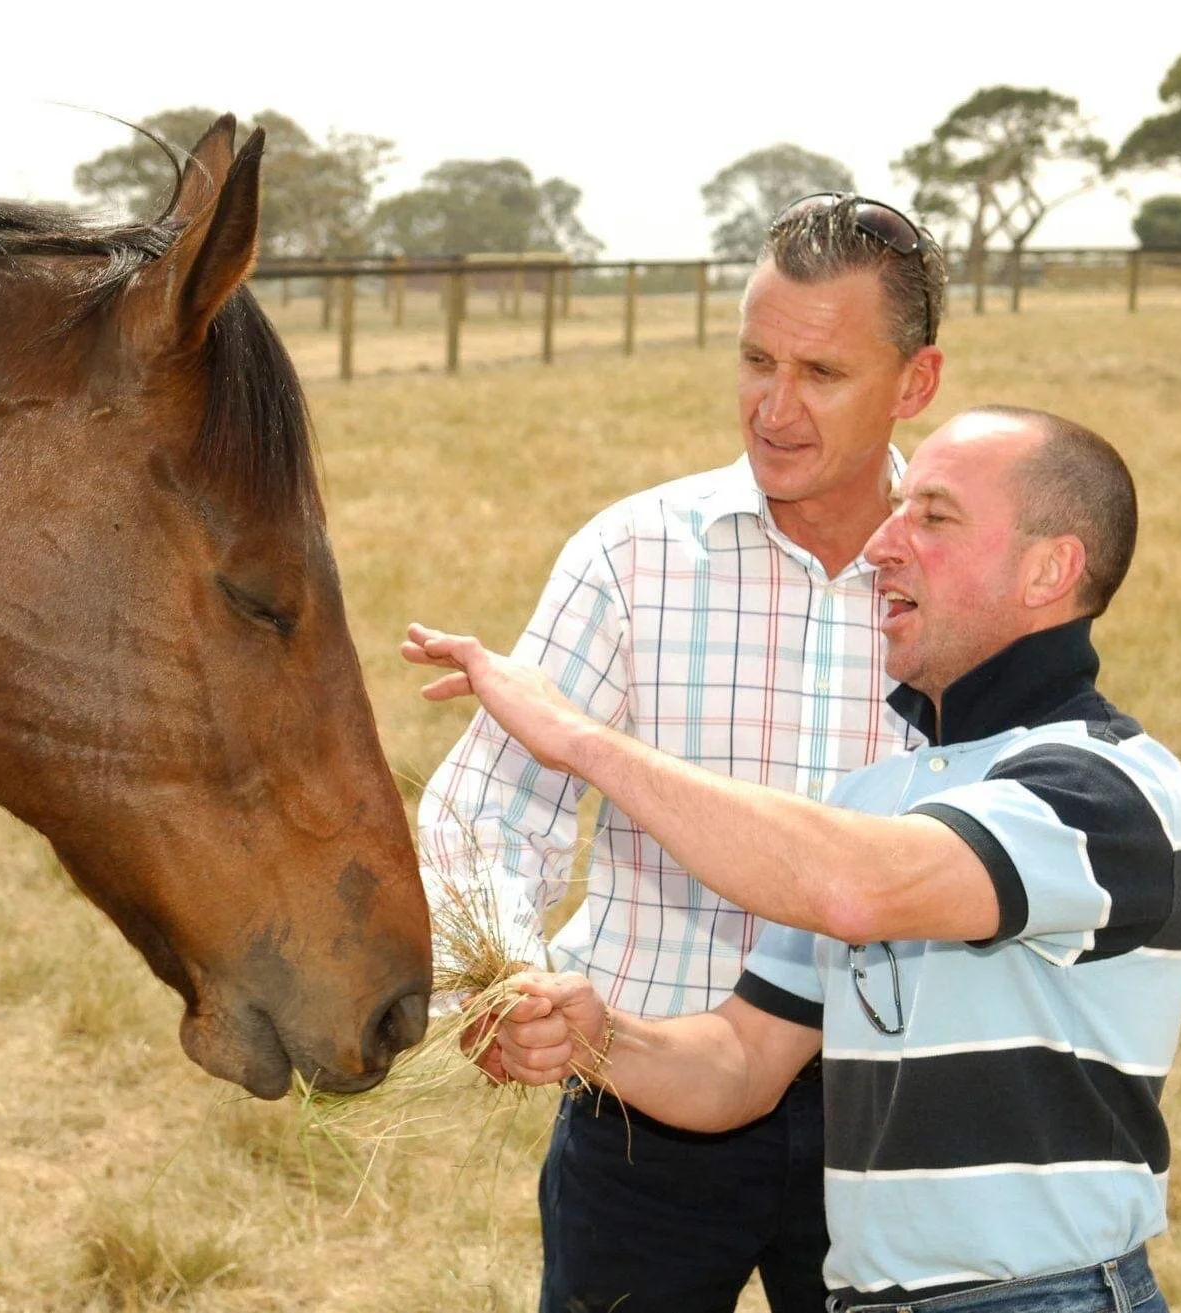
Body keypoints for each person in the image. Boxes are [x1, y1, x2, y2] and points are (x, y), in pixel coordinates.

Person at [405, 406, 1181, 1313]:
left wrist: (578, 739)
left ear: (1049, 569)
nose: (885, 544)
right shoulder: (876, 800)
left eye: (933, 517)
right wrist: (596, 1036)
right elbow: (739, 1065)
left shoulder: (1106, 790)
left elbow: (853, 889)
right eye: (898, 508)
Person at [414, 194, 946, 1313]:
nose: (774, 406)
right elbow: (485, 805)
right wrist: (514, 980)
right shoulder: (629, 553)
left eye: (821, 372)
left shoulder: (956, 578)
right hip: (638, 1098)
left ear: (915, 383)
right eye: (756, 359)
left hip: (898, 1121)